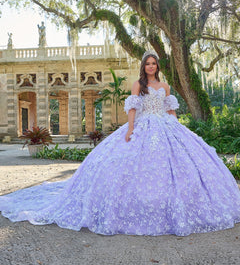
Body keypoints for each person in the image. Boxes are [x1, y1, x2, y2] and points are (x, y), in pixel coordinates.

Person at [0, 50, 240, 236]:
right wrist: (131, 129)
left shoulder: (165, 86)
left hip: (166, 127)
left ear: (157, 66)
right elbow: (133, 109)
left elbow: (170, 111)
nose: (150, 67)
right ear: (143, 67)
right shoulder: (139, 85)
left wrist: (177, 126)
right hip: (143, 126)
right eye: (147, 63)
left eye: (153, 64)